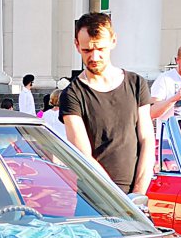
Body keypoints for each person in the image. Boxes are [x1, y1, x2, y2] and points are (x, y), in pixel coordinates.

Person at [59, 11, 155, 196]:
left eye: (100, 49)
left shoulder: (136, 84)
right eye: (87, 50)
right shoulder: (72, 94)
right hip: (96, 198)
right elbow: (83, 156)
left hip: (135, 199)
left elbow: (147, 140)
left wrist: (138, 195)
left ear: (113, 41)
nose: (94, 57)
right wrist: (118, 200)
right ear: (77, 46)